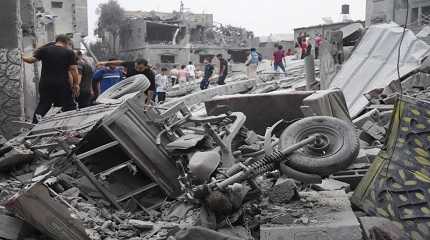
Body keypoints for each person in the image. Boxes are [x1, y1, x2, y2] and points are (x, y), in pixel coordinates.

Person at [22, 34, 79, 123]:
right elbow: (73, 69)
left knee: (44, 104)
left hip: (46, 84)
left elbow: (31, 60)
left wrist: (22, 56)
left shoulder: (45, 50)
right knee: (67, 106)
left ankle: (34, 124)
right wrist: (76, 84)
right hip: (62, 85)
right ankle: (66, 125)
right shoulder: (69, 53)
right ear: (67, 42)